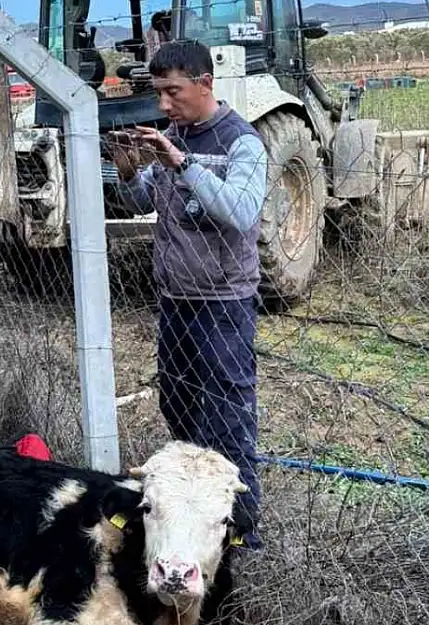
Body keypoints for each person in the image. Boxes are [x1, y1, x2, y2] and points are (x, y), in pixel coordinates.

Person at [110, 40, 269, 549]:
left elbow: (239, 213)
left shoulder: (242, 143)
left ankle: (242, 531)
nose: (163, 105)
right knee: (179, 411)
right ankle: (192, 519)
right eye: (157, 93)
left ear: (205, 84)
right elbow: (140, 202)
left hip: (223, 305)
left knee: (227, 421)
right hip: (175, 301)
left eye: (172, 92)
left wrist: (181, 163)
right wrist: (129, 169)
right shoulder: (173, 135)